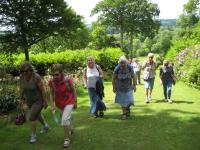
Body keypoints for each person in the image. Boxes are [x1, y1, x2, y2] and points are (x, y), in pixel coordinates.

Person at [19, 61, 49, 144]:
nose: (25, 73)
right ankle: (46, 126)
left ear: (30, 70)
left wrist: (45, 101)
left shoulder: (36, 77)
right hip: (29, 100)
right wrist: (21, 100)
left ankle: (33, 135)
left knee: (31, 117)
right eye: (22, 71)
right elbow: (21, 89)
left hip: (38, 100)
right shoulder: (22, 78)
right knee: (38, 114)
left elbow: (43, 90)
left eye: (26, 71)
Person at [48, 64, 77, 148]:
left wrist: (75, 102)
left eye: (57, 74)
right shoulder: (52, 82)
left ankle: (66, 139)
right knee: (66, 120)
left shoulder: (67, 80)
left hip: (69, 102)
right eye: (53, 75)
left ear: (61, 73)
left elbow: (73, 90)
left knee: (64, 120)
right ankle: (70, 129)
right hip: (59, 104)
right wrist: (52, 104)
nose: (55, 76)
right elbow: (51, 93)